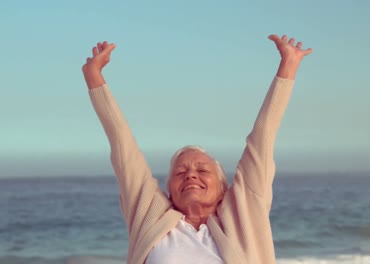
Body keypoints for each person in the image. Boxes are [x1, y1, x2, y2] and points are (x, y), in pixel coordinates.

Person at [82, 34, 312, 264]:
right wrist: (94, 77)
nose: (191, 174)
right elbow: (124, 149)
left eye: (202, 171)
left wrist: (288, 66)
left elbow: (263, 139)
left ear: (223, 188)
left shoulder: (243, 213)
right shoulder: (151, 217)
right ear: (170, 190)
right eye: (180, 172)